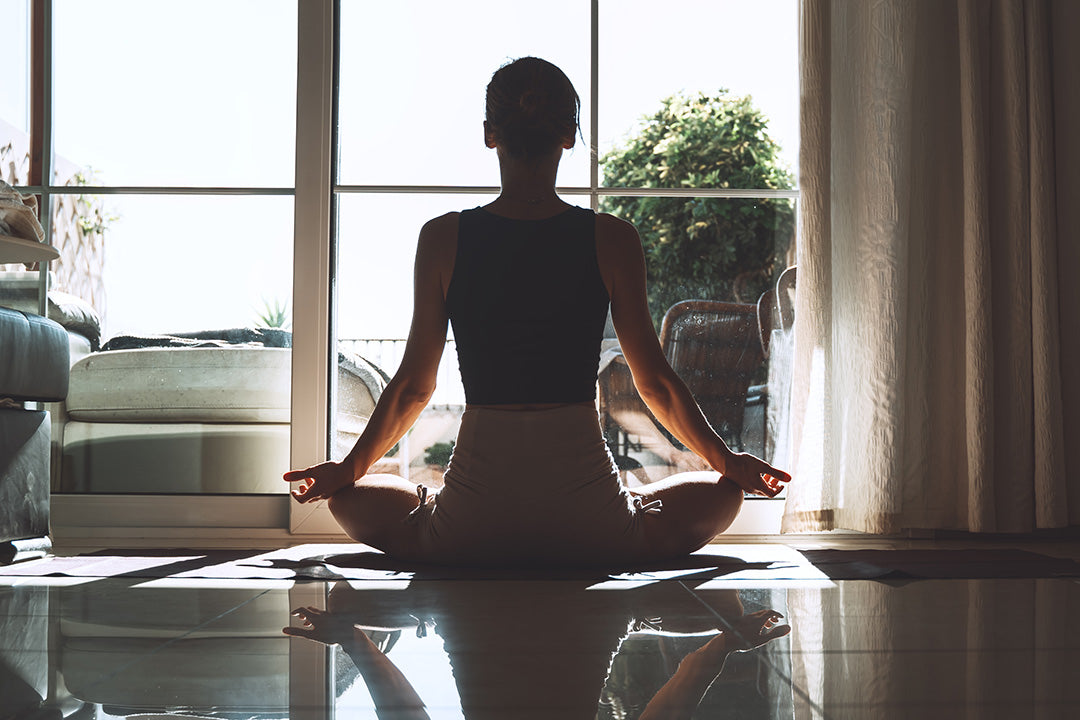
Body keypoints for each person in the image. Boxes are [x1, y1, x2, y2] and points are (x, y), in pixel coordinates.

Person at [284, 57, 790, 567]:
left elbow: (415, 386)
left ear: (490, 134)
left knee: (350, 498)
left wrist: (347, 470)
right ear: (569, 136)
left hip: (472, 522)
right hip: (592, 522)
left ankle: (443, 517)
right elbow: (654, 383)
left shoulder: (442, 237)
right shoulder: (613, 238)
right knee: (722, 492)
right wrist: (728, 461)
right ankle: (625, 513)